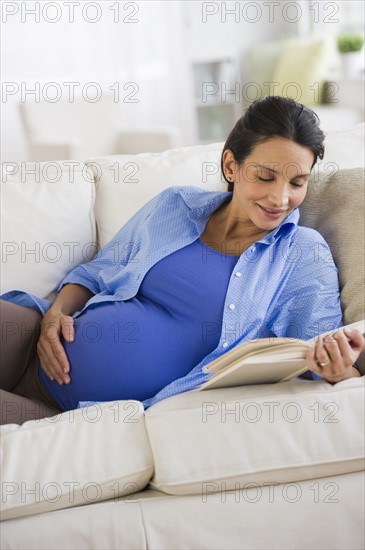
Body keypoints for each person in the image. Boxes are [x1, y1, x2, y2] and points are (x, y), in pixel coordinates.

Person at [1, 96, 364, 425]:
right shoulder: (176, 206)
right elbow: (97, 273)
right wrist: (54, 315)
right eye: (264, 176)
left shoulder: (301, 252)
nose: (280, 198)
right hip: (31, 338)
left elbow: (314, 354)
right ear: (231, 165)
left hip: (75, 411)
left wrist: (341, 372)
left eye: (297, 182)